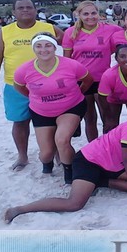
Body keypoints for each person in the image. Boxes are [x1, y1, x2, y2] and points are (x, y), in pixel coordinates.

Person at [4, 101, 127, 223]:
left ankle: (100, 181)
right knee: (74, 204)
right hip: (90, 160)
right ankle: (20, 209)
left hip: (113, 164)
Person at [0, 0, 64, 171]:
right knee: (20, 122)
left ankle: (60, 155)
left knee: (52, 122)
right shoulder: (4, 32)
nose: (25, 10)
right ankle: (22, 156)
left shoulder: (49, 28)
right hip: (15, 86)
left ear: (35, 10)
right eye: (20, 8)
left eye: (29, 7)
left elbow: (69, 44)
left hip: (47, 85)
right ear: (14, 12)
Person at [14, 33, 93, 183]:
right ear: (33, 49)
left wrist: (76, 94)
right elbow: (19, 87)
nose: (43, 50)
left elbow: (87, 80)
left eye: (48, 45)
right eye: (39, 46)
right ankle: (47, 164)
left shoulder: (71, 65)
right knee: (46, 153)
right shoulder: (24, 70)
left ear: (55, 47)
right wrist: (36, 99)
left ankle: (69, 175)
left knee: (62, 140)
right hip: (41, 112)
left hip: (70, 107)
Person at [62, 1, 123, 142]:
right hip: (82, 81)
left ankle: (110, 147)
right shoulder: (71, 32)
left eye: (93, 13)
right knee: (89, 118)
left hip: (103, 80)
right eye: (86, 14)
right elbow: (67, 61)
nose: (90, 16)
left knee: (108, 118)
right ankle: (94, 149)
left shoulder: (110, 29)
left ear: (99, 14)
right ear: (79, 15)